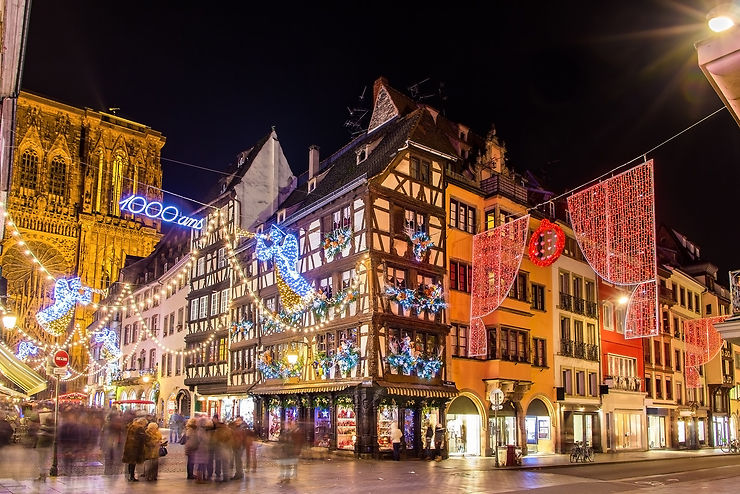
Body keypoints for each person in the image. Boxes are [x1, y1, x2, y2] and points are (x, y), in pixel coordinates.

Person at [121, 417, 148, 481]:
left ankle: (130, 476)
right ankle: (132, 477)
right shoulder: (139, 428)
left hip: (130, 446)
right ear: (142, 423)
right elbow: (143, 437)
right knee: (133, 462)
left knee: (130, 462)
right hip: (135, 447)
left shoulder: (132, 425)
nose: (145, 425)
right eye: (145, 424)